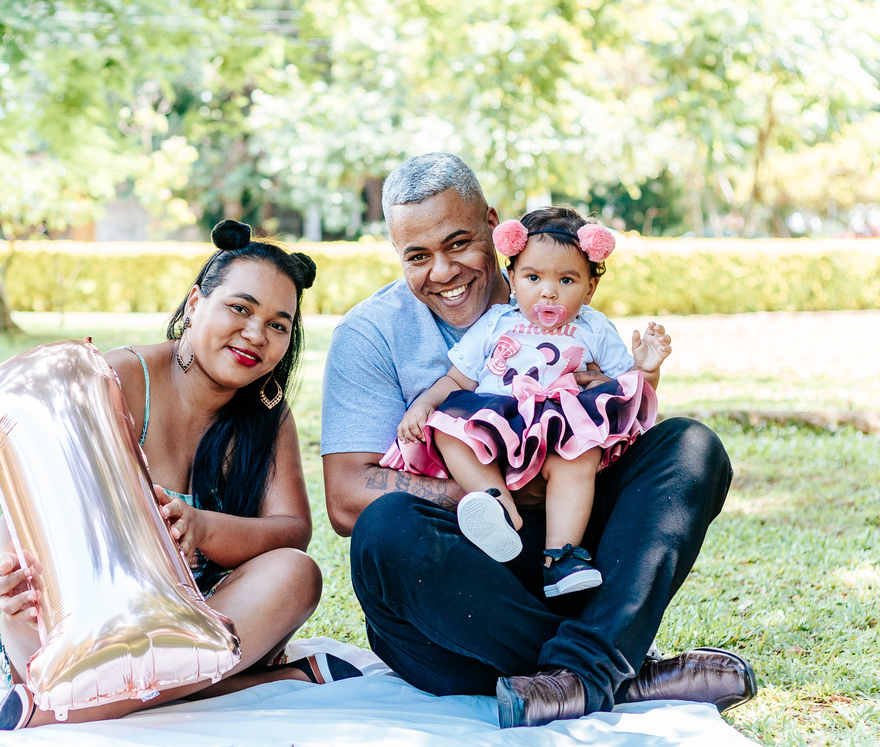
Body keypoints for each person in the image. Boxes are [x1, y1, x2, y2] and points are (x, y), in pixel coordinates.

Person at [321, 152, 756, 729]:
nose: (444, 271)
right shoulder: (369, 333)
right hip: (457, 601)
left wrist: (607, 397)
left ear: (494, 227)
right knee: (385, 530)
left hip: (567, 555)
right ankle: (617, 668)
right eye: (418, 257)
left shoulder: (561, 294)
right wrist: (494, 493)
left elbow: (626, 428)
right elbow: (348, 496)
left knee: (691, 446)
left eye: (459, 244)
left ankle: (579, 675)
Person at [0, 221, 358, 730]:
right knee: (13, 534)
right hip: (84, 621)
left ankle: (68, 709)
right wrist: (8, 572)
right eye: (240, 308)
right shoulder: (116, 380)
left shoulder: (269, 416)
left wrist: (201, 529)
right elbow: (34, 495)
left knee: (297, 573)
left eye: (279, 324)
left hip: (197, 624)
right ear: (193, 304)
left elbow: (293, 531)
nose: (256, 334)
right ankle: (250, 682)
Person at [384, 205, 670, 599]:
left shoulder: (593, 327)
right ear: (513, 279)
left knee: (579, 457)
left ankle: (562, 558)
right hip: (497, 421)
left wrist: (647, 370)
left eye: (567, 279)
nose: (548, 290)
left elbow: (625, 391)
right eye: (533, 277)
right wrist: (423, 406)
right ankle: (497, 508)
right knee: (448, 431)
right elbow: (456, 379)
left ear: (589, 288)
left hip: (558, 426)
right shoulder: (496, 321)